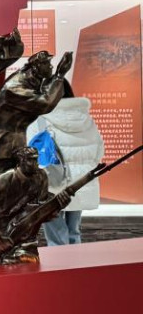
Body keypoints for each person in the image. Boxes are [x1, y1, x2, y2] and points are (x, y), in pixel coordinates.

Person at [27, 80, 104, 245]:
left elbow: (31, 154)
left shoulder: (41, 120)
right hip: (81, 183)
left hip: (52, 185)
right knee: (74, 231)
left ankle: (60, 261)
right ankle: (76, 260)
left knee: (56, 235)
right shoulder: (86, 119)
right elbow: (99, 152)